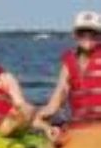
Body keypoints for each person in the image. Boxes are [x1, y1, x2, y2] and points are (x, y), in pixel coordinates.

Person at [34, 11, 101, 140]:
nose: (87, 37)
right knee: (34, 119)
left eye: (93, 34)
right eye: (82, 32)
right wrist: (42, 116)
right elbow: (60, 93)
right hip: (79, 125)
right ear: (75, 35)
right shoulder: (69, 61)